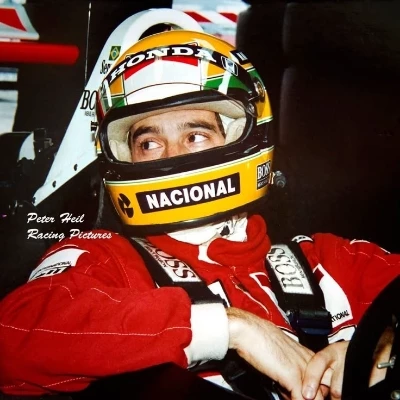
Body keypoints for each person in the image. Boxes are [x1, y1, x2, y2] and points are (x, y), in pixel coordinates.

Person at [0, 21, 398, 400]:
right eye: (149, 143)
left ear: (240, 136)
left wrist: (385, 349)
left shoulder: (332, 260)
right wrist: (228, 328)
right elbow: (11, 335)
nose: (172, 156)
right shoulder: (105, 260)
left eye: (195, 135)